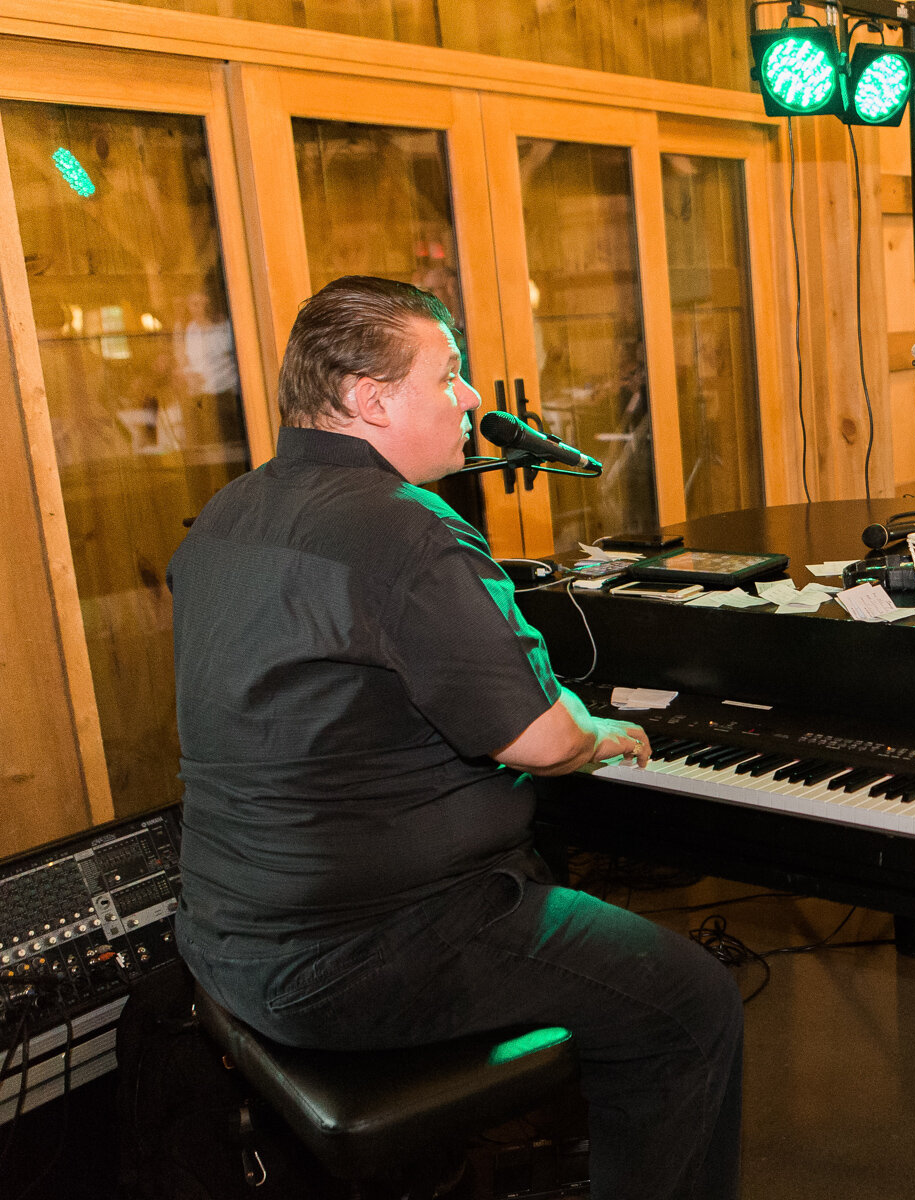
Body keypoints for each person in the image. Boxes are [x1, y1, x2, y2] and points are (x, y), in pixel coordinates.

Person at [168, 276, 742, 1200]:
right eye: (450, 373)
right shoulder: (407, 531)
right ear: (371, 398)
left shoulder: (226, 517)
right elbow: (543, 741)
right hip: (361, 953)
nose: (473, 398)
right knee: (689, 1003)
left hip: (223, 934)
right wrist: (605, 731)